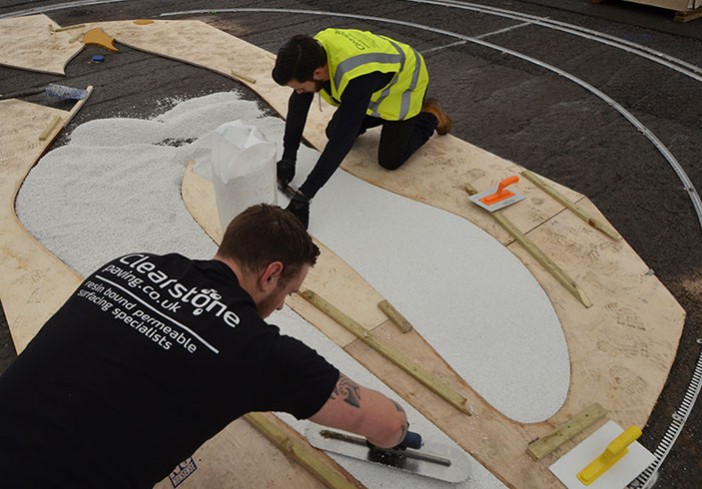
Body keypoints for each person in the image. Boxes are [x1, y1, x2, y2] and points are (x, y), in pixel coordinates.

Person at [0, 204, 409, 488]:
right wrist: (391, 442)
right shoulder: (255, 351)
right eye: (290, 290)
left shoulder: (128, 264)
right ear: (271, 275)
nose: (282, 304)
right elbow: (387, 423)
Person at [272, 28, 452, 228]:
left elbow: (342, 141)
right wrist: (289, 158)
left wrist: (305, 195)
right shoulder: (310, 53)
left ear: (318, 72)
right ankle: (380, 117)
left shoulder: (357, 78)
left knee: (390, 159)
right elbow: (298, 106)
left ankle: (430, 115)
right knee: (332, 131)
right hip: (374, 87)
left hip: (404, 84)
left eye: (301, 87)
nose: (299, 92)